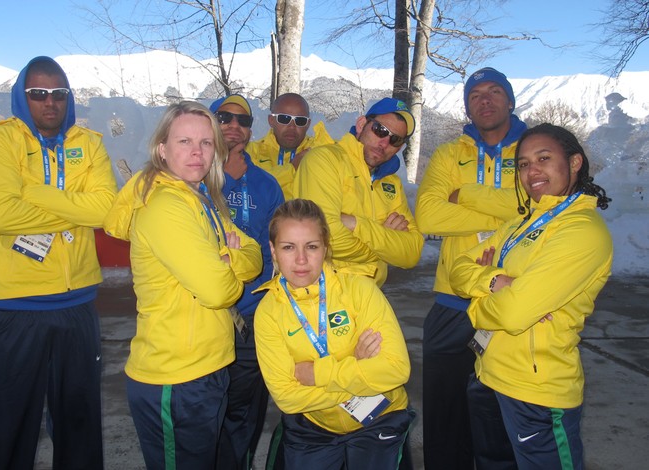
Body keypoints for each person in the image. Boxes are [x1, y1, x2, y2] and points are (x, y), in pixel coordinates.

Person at [0, 56, 117, 469]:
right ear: (23, 96)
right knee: (5, 431)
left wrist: (32, 195)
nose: (49, 102)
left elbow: (106, 209)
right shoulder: (1, 141)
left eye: (58, 94)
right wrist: (77, 208)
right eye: (38, 93)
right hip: (16, 309)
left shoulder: (88, 143)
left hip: (77, 309)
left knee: (80, 432)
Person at [103, 101, 263, 469]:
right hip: (175, 380)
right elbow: (220, 291)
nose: (197, 152)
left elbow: (253, 257)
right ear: (162, 149)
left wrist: (230, 259)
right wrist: (228, 259)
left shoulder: (205, 200)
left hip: (208, 369)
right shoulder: (166, 207)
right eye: (185, 141)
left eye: (206, 143)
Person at [449, 123, 613, 469]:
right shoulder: (521, 223)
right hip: (488, 375)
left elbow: (512, 314)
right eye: (523, 164)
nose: (531, 171)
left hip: (537, 393)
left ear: (574, 163)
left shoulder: (582, 232)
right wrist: (495, 282)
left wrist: (477, 305)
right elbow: (458, 269)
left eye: (543, 158)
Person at [414, 67, 528, 469]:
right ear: (467, 105)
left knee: (504, 416)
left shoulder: (533, 150)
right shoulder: (449, 154)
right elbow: (428, 215)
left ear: (510, 100)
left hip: (515, 298)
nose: (485, 99)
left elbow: (534, 206)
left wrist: (466, 195)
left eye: (495, 90)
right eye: (475, 93)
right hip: (454, 300)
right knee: (445, 417)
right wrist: (504, 214)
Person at [254, 198, 414, 470]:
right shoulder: (268, 312)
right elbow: (286, 397)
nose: (301, 259)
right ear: (273, 250)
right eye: (289, 247)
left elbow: (397, 370)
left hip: (379, 418)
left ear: (326, 247)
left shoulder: (360, 290)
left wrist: (316, 374)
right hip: (315, 426)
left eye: (312, 247)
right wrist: (356, 363)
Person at [209, 94, 285, 470]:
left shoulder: (267, 185)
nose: (233, 126)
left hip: (252, 316)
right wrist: (219, 175)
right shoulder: (191, 176)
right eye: (224, 117)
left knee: (243, 413)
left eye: (241, 120)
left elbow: (276, 251)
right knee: (206, 410)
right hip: (205, 314)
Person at [293, 97, 423, 286]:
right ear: (362, 124)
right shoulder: (324, 160)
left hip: (369, 297)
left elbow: (412, 252)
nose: (384, 142)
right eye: (380, 130)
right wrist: (381, 248)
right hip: (321, 293)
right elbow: (322, 237)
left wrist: (356, 224)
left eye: (395, 140)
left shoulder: (391, 183)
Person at [246, 92, 334, 199]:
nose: (292, 126)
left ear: (308, 124)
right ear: (271, 120)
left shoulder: (319, 151)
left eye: (300, 121)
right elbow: (253, 187)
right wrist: (291, 168)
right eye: (284, 119)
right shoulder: (251, 151)